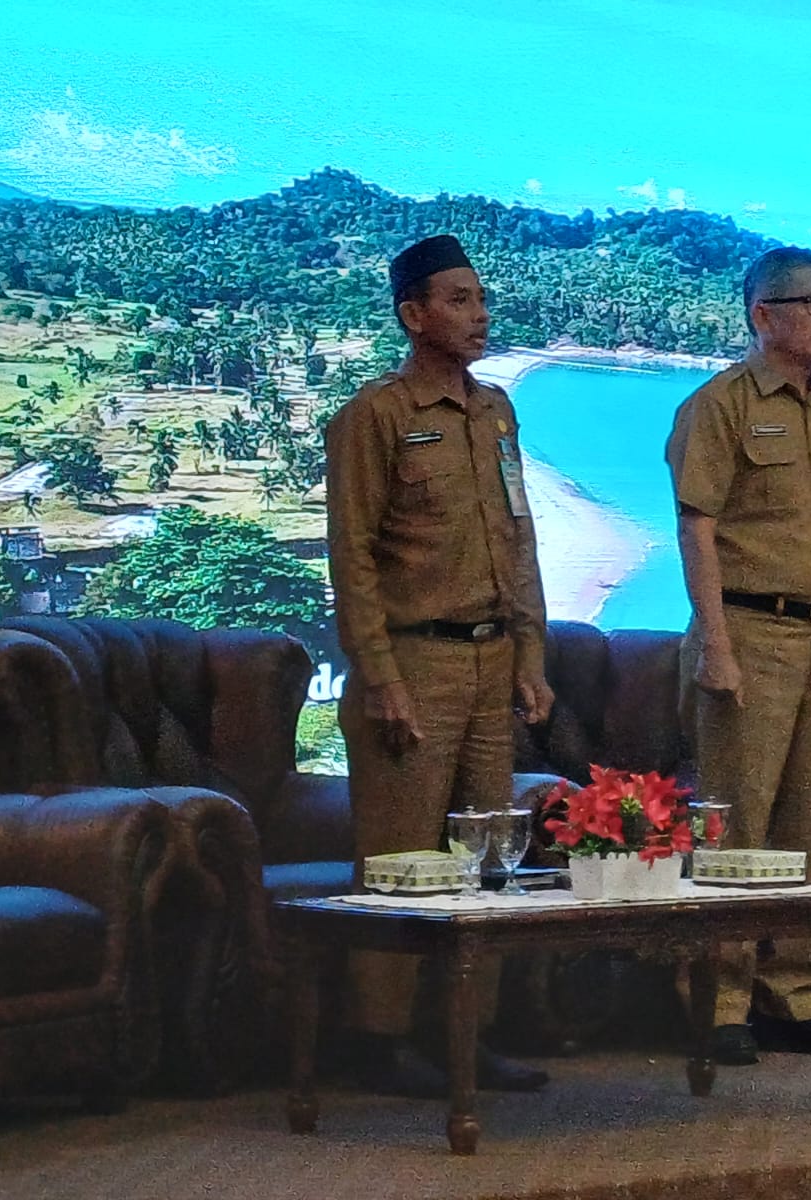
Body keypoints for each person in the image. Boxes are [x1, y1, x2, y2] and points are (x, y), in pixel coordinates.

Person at [326, 233, 556, 1096]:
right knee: (402, 858)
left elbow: (519, 539)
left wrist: (531, 655)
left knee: (487, 852)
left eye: (481, 299)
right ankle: (376, 1039)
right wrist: (381, 677)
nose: (479, 315)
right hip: (414, 665)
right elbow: (352, 557)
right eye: (459, 301)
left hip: (492, 663)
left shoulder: (496, 411)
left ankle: (466, 1029)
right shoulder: (374, 416)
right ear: (413, 315)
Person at [666, 246, 811, 1066]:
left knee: (810, 820)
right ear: (764, 315)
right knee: (737, 817)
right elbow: (696, 531)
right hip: (749, 632)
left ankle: (796, 991)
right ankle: (721, 1000)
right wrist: (715, 643)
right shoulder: (719, 405)